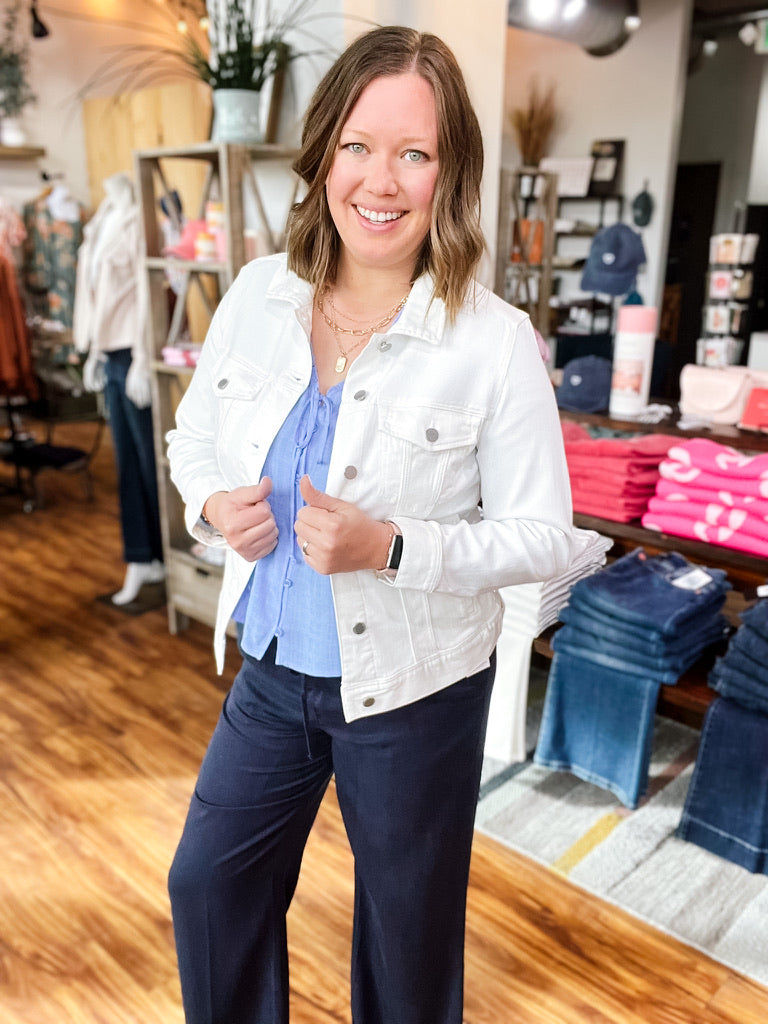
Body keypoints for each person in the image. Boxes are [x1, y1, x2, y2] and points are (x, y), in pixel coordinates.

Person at [166, 25, 573, 1024]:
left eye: (414, 152)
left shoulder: (493, 341)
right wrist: (213, 503)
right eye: (357, 145)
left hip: (414, 694)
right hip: (270, 668)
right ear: (324, 157)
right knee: (207, 884)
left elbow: (545, 539)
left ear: (449, 173)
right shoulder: (261, 292)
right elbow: (194, 435)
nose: (378, 179)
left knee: (406, 944)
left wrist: (391, 546)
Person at [73, 172, 164, 605]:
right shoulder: (102, 219)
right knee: (126, 463)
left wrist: (144, 360)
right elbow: (92, 292)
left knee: (149, 462)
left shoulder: (138, 220)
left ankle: (160, 556)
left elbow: (148, 291)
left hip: (133, 355)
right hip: (109, 353)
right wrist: (92, 351)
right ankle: (142, 557)